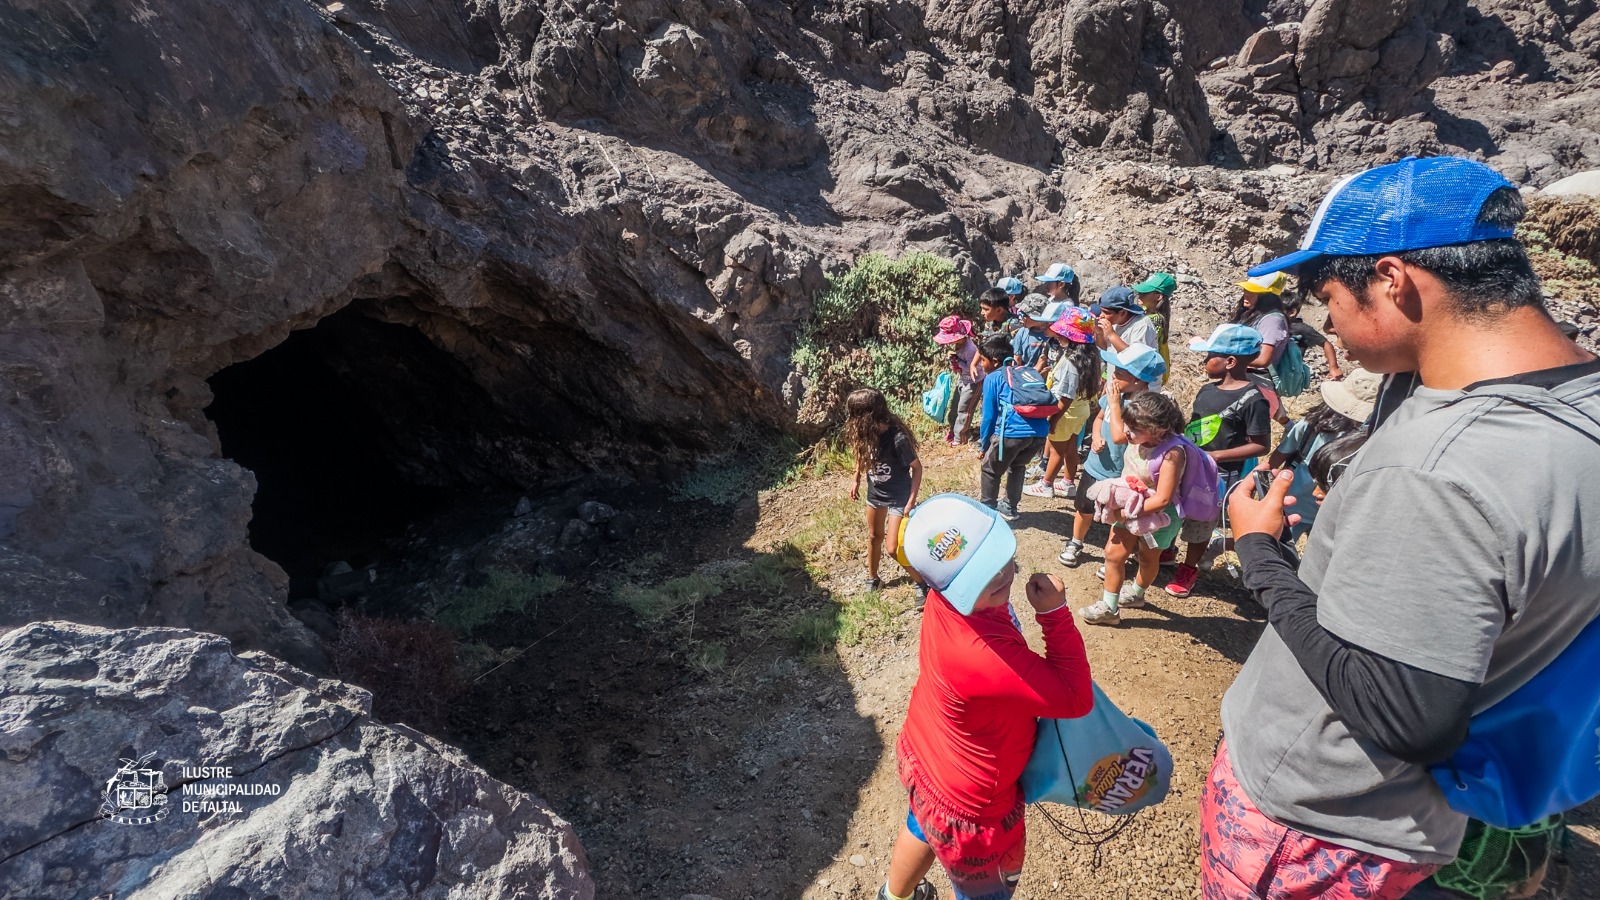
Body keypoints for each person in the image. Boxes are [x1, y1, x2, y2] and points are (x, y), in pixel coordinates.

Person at [1209, 155, 1600, 899]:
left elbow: (1404, 714)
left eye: (1329, 297)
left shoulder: (1436, 470)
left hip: (1328, 816)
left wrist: (1259, 551)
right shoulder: (1577, 399)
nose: (1328, 325)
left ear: (1393, 280)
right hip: (1442, 814)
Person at [880, 494, 1093, 900]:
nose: (1000, 576)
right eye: (978, 576)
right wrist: (1054, 615)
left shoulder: (945, 600)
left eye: (999, 558)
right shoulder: (981, 656)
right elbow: (1074, 698)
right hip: (973, 804)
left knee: (922, 824)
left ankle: (894, 895)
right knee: (988, 892)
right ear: (943, 583)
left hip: (928, 757)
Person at [1163, 323, 1271, 599]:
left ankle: (1189, 568)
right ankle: (1167, 549)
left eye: (1210, 355)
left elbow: (1260, 444)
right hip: (1188, 464)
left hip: (1217, 475)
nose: (1204, 361)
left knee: (1201, 521)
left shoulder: (1253, 400)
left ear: (1230, 361)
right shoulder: (1207, 390)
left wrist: (1215, 456)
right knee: (1176, 507)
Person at [1078, 391, 1189, 626]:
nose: (1127, 432)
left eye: (1135, 429)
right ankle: (1109, 607)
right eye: (1128, 425)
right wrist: (1114, 403)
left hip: (1157, 517)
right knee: (1113, 552)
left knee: (1147, 559)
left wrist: (1124, 513)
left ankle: (1138, 592)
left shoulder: (1172, 454)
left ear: (1158, 430)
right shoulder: (1134, 437)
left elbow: (1162, 500)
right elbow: (1118, 433)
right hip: (1130, 505)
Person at [1057, 345, 1166, 567]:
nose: (1112, 376)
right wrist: (1096, 435)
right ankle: (1076, 542)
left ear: (1138, 379)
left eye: (1119, 373)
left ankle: (1114, 558)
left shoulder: (1142, 407)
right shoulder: (1113, 395)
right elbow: (1098, 419)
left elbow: (1119, 437)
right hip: (1097, 465)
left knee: (1119, 517)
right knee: (1084, 506)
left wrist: (1115, 404)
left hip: (1123, 473)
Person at [1266, 368, 1378, 540]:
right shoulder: (1369, 441)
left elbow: (1281, 453)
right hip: (1328, 511)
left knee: (1281, 548)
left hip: (1294, 501)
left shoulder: (1310, 424)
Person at [846, 388, 925, 591]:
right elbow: (860, 454)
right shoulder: (864, 433)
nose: (851, 420)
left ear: (866, 415)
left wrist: (911, 500)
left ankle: (922, 583)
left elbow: (917, 468)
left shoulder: (897, 439)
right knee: (874, 536)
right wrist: (856, 479)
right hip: (876, 494)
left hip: (899, 497)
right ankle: (873, 579)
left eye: (854, 414)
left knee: (893, 548)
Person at [1025, 307, 1100, 500]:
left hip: (1066, 411)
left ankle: (1046, 484)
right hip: (1080, 409)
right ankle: (1068, 483)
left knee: (1057, 449)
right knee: (1071, 446)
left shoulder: (1068, 362)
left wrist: (1053, 420)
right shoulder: (1090, 356)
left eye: (1062, 333)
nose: (1057, 336)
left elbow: (1065, 397)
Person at [976, 334, 1051, 521]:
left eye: (982, 360)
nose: (980, 365)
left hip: (1012, 434)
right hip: (1039, 433)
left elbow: (989, 417)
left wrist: (984, 446)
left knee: (990, 469)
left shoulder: (993, 378)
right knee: (1017, 465)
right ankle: (1010, 508)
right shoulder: (1027, 371)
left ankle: (987, 511)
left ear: (994, 361)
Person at [934, 315, 981, 446]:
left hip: (973, 382)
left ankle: (961, 437)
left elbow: (973, 368)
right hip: (963, 380)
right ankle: (953, 430)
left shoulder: (970, 349)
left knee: (964, 409)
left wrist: (957, 361)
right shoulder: (958, 345)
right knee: (954, 407)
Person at [1285, 292, 1345, 380]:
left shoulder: (1301, 329)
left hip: (1289, 373)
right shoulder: (1272, 325)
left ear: (1292, 312)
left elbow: (1326, 344)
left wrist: (1333, 368)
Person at [1133, 272, 1177, 365]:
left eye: (1145, 292)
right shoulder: (1148, 315)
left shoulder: (1154, 320)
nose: (1139, 294)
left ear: (1158, 296)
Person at [1011, 293, 1052, 368]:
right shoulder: (1022, 332)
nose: (1020, 318)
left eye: (1024, 315)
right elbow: (1016, 360)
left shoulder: (1051, 334)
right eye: (1019, 313)